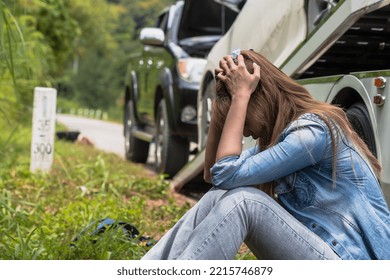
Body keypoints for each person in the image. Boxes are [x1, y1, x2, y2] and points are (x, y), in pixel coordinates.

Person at [142, 49, 390, 260]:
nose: (245, 132)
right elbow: (213, 177)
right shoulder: (280, 140)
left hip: (351, 260)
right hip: (323, 254)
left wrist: (239, 95)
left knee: (245, 202)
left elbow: (225, 172)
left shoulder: (312, 133)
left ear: (257, 100)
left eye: (242, 116)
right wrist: (222, 103)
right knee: (221, 195)